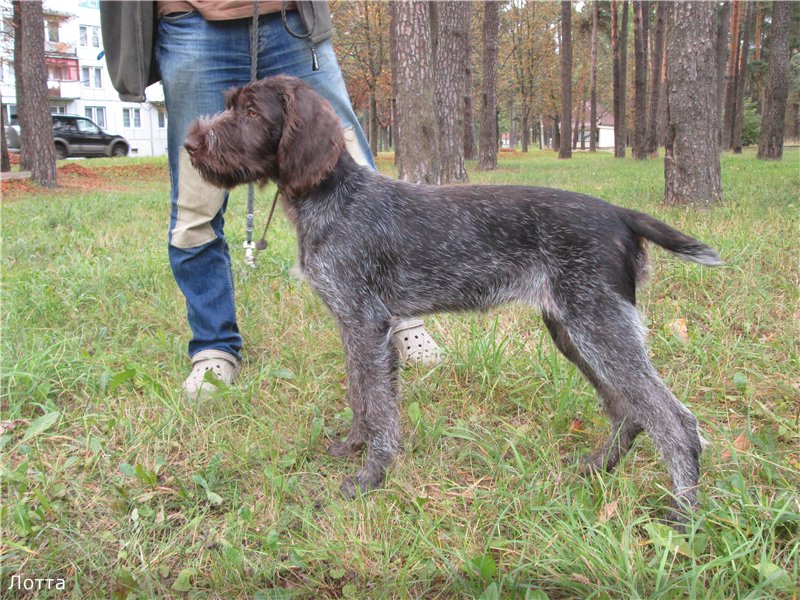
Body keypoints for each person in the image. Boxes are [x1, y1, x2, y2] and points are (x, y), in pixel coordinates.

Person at [100, 1, 441, 398]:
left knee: (361, 179)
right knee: (194, 209)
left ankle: (400, 317)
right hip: (190, 20)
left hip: (289, 17)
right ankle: (213, 346)